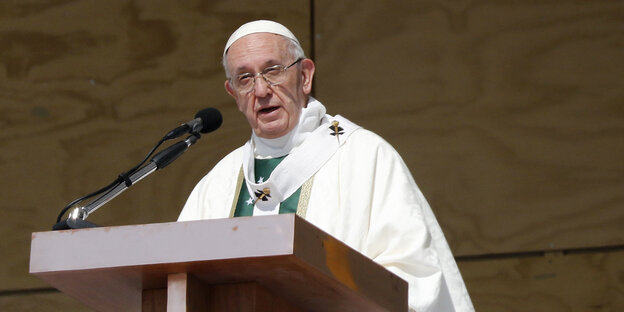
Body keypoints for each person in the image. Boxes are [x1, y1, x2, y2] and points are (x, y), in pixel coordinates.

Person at [178, 20, 474, 312]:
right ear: (234, 95)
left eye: (272, 71)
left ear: (305, 76)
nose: (261, 90)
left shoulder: (365, 157)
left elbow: (415, 281)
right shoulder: (219, 184)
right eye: (245, 78)